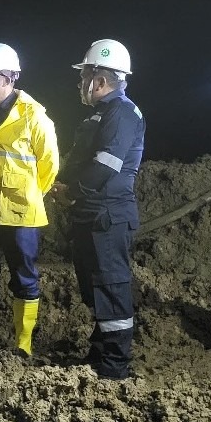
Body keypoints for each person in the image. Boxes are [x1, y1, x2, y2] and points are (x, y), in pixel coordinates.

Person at [50, 39, 145, 380]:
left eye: (84, 76)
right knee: (96, 288)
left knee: (111, 287)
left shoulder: (121, 113)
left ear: (100, 80)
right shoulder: (103, 113)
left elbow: (106, 165)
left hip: (108, 216)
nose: (80, 83)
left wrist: (72, 192)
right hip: (91, 214)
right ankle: (101, 352)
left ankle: (115, 366)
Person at [0, 43, 59, 355]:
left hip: (20, 215)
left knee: (24, 278)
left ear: (8, 78)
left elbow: (49, 166)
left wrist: (29, 195)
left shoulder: (34, 117)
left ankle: (23, 347)